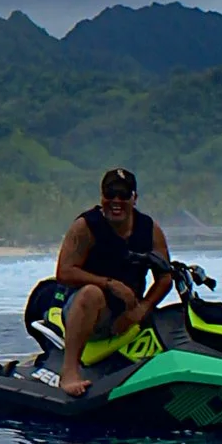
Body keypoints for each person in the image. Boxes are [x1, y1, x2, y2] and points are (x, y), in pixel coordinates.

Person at [48, 166, 179, 395]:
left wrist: (142, 309)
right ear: (102, 197)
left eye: (123, 195)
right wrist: (109, 284)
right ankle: (69, 372)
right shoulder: (86, 226)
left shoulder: (149, 229)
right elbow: (64, 272)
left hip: (129, 313)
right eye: (110, 194)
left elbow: (165, 277)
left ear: (134, 198)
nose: (116, 201)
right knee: (92, 293)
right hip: (87, 309)